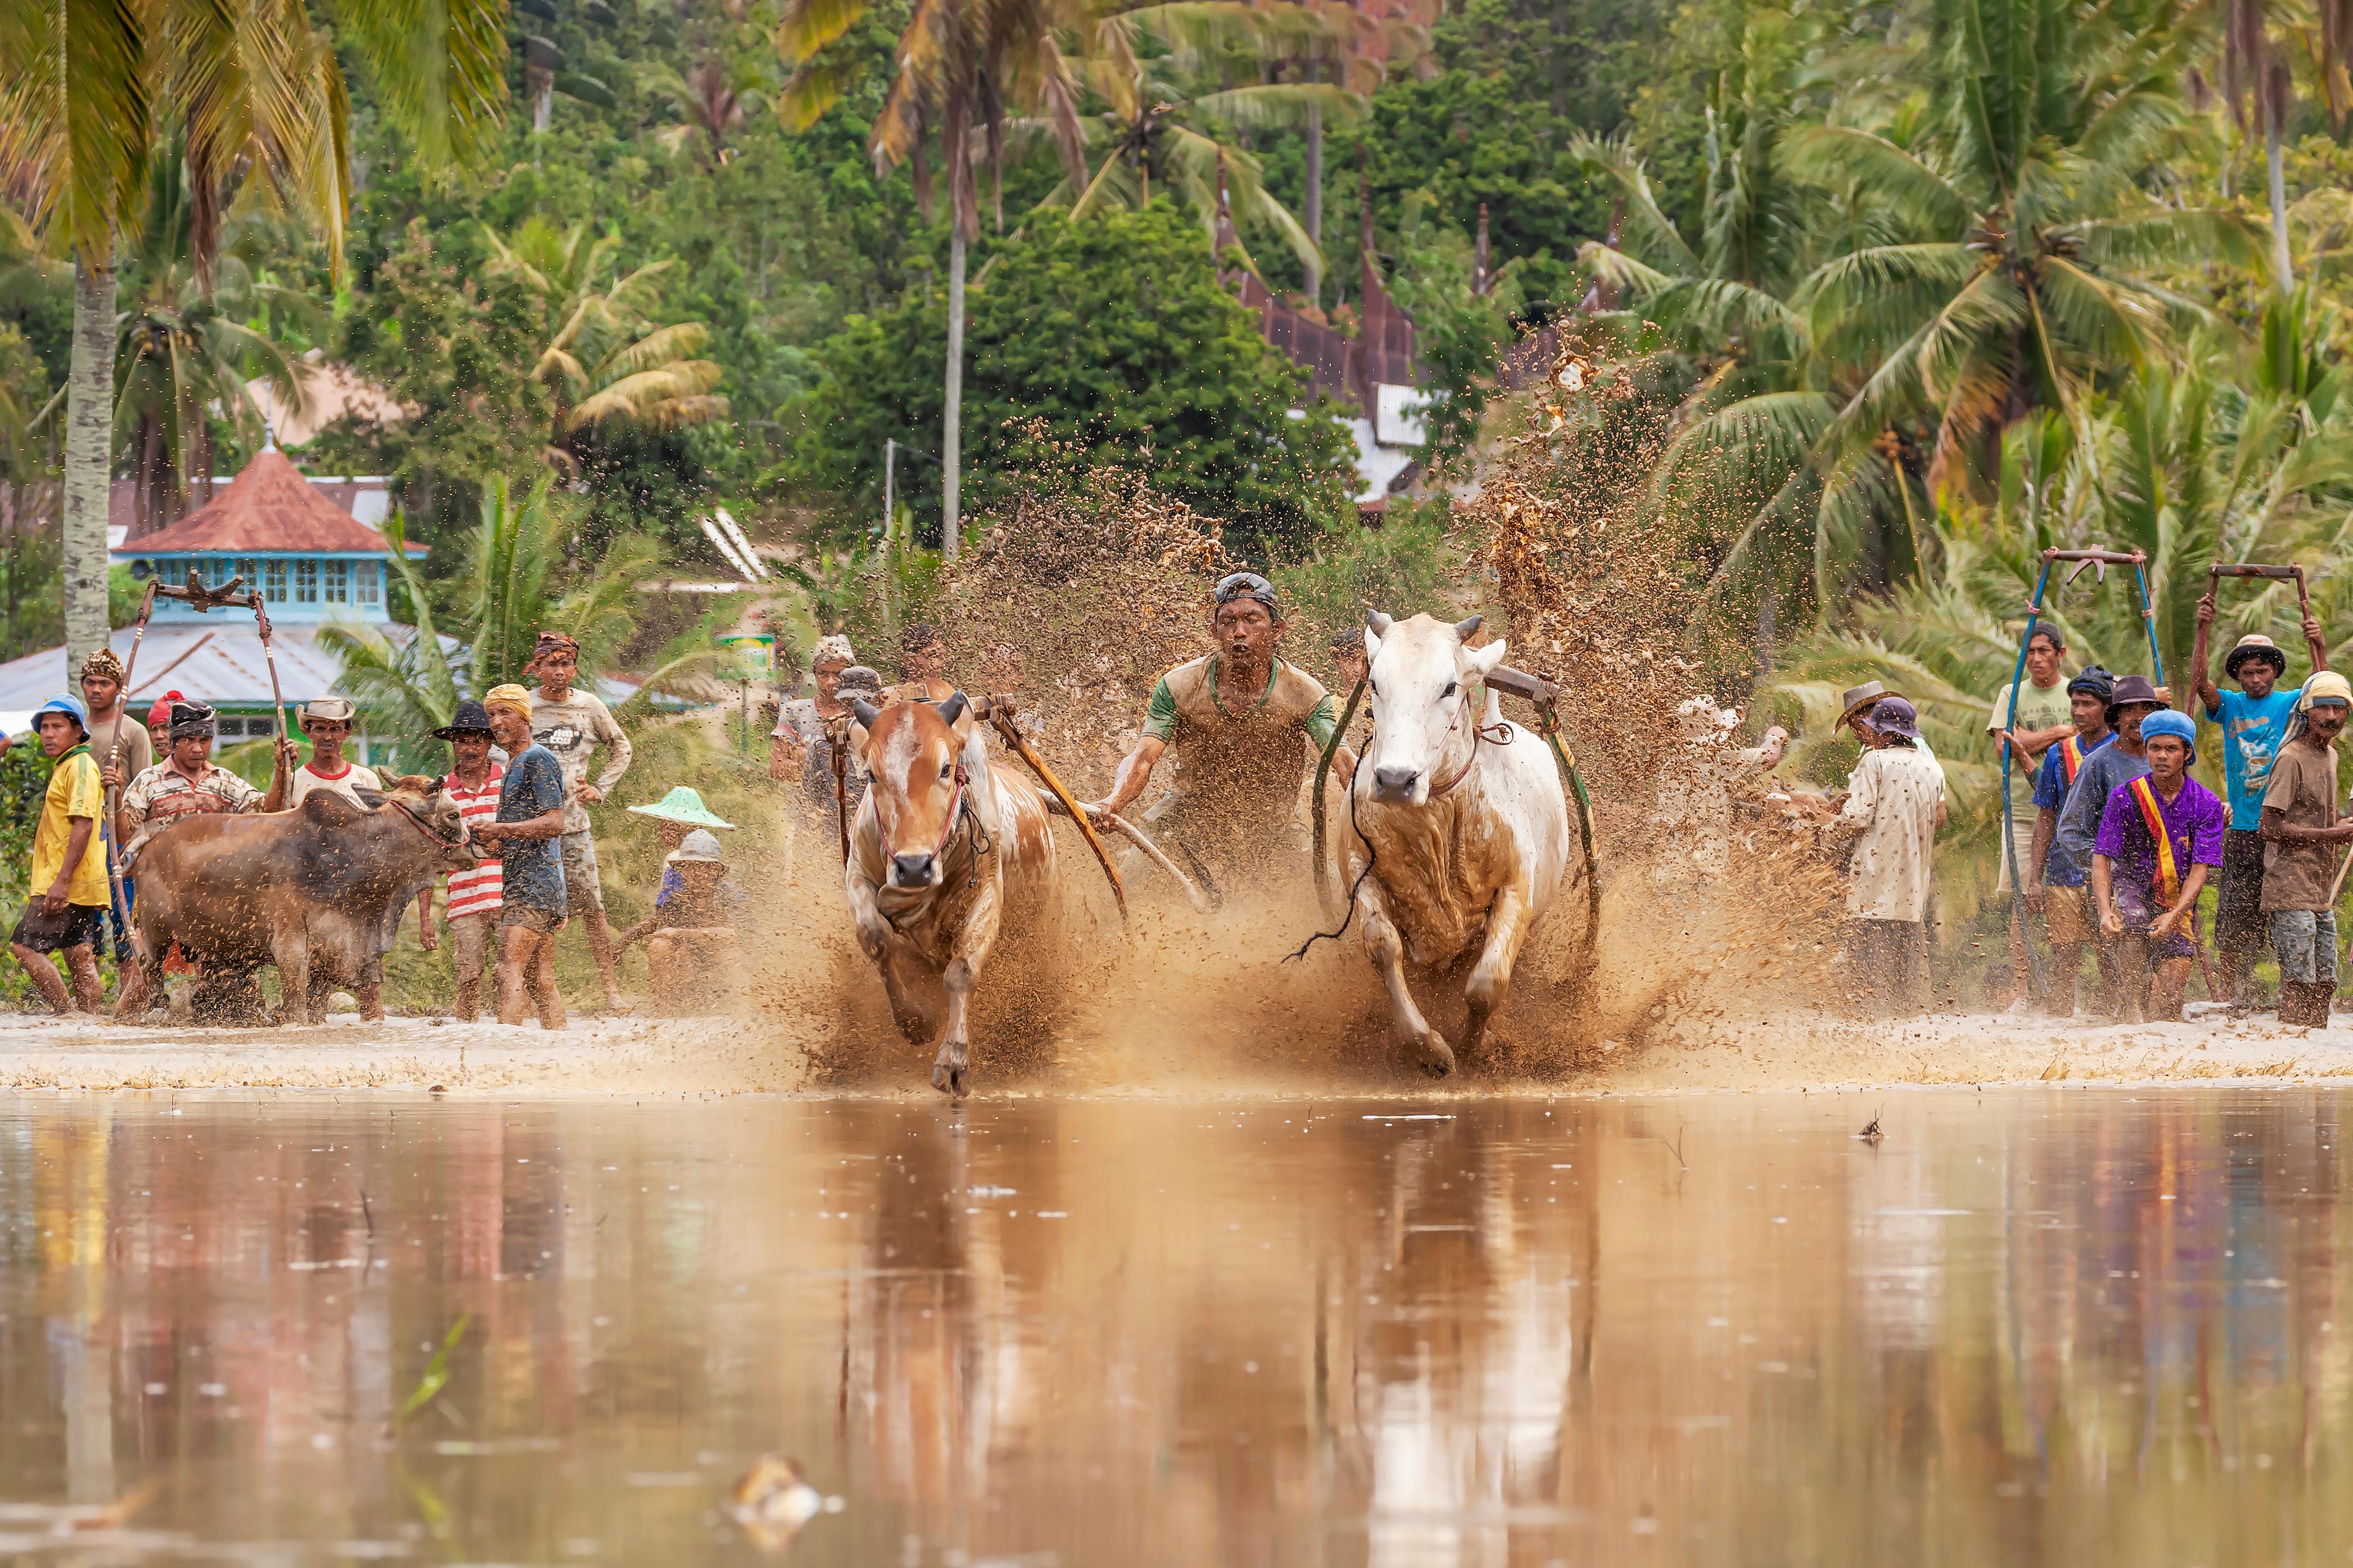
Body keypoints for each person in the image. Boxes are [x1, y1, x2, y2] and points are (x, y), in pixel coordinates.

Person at [1084, 571, 1346, 893]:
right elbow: (1143, 757)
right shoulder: (1180, 686)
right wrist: (1113, 802)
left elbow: (1343, 761)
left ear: (1276, 629)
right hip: (1186, 815)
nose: (1239, 633)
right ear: (1214, 631)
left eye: (1253, 620)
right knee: (1125, 888)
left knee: (1335, 892)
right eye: (1228, 622)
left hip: (1273, 826)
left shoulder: (1304, 694)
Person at [2191, 592, 2331, 1008]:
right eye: (2248, 673)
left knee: (2287, 913)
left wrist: (2318, 646)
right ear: (2239, 676)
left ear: (2274, 672)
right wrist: (2203, 628)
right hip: (2245, 830)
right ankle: (2236, 992)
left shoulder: (2290, 703)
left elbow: (2325, 698)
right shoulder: (2231, 705)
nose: (2255, 679)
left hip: (2283, 831)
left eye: (2262, 671)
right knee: (2235, 915)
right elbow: (2202, 685)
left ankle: (2291, 989)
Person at [2037, 674, 2165, 1018]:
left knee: (2162, 964)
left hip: (2161, 879)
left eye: (2146, 709)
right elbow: (2069, 828)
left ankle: (2142, 1034)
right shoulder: (2098, 763)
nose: (2138, 717)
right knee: (2107, 956)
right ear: (2116, 717)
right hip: (2109, 879)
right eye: (2129, 710)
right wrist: (2105, 866)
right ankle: (2105, 1028)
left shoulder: (2168, 759)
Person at [2091, 709, 2224, 1023]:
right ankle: (2130, 1009)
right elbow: (2102, 857)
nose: (2162, 756)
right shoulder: (2125, 797)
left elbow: (2201, 868)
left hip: (2178, 901)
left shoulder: (2206, 803)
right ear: (2147, 750)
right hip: (2132, 892)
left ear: (2186, 753)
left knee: (2166, 1008)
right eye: (2155, 748)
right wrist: (2104, 911)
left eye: (2171, 749)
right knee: (2135, 1013)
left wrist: (2175, 915)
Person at [525, 632, 633, 1012]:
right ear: (537, 667)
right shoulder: (524, 706)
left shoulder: (589, 706)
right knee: (531, 909)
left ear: (574, 667)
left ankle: (610, 991)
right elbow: (500, 751)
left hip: (574, 824)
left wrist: (600, 789)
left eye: (565, 663)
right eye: (551, 663)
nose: (559, 670)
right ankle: (532, 992)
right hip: (533, 829)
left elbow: (622, 747)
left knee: (593, 909)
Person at [1828, 696, 1947, 1016]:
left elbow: (1857, 816)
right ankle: (1901, 1014)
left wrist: (1825, 834)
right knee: (1902, 954)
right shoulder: (1933, 769)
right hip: (1914, 876)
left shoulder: (1875, 762)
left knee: (1865, 949)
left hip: (1874, 871)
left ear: (1882, 732)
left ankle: (1861, 1014)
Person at [472, 684, 569, 1030]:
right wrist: (487, 841)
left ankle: (502, 1055)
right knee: (539, 980)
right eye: (492, 715)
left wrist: (501, 831)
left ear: (524, 716)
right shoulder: (514, 763)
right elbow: (521, 831)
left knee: (507, 968)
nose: (496, 722)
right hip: (535, 884)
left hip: (534, 884)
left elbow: (555, 822)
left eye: (504, 713)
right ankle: (560, 1051)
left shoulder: (537, 759)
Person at [2259, 670, 2353, 1027]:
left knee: (2326, 981)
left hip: (2321, 889)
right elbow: (2267, 827)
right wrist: (2332, 834)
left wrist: (2341, 826)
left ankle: (2311, 1058)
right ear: (2307, 712)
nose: (2331, 716)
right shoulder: (2292, 757)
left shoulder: (2330, 756)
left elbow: (2319, 816)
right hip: (2290, 886)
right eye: (2323, 708)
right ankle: (2285, 1057)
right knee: (2299, 979)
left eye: (2339, 708)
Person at [1988, 627, 2075, 998]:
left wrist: (2028, 738)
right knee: (2024, 903)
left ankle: (2065, 989)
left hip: (2072, 815)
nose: (2036, 658)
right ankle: (2021, 991)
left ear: (2061, 653)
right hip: (2024, 812)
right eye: (2030, 652)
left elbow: (2085, 736)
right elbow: (2004, 747)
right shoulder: (2011, 693)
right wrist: (2057, 731)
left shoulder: (2076, 692)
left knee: (2073, 901)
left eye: (2044, 651)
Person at [8, 696, 109, 1014]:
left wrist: (61, 882)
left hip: (67, 881)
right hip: (82, 882)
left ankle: (66, 1014)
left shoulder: (79, 766)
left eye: (58, 726)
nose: (49, 734)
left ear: (78, 730)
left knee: (23, 948)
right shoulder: (70, 765)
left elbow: (84, 824)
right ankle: (90, 1024)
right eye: (44, 727)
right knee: (78, 955)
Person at [419, 700, 505, 1020]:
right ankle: (467, 1040)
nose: (471, 747)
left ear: (490, 742)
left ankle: (515, 1040)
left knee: (510, 975)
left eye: (478, 740)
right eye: (464, 740)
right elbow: (429, 860)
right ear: (454, 743)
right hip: (465, 901)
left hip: (507, 898)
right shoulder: (440, 793)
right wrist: (425, 919)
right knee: (468, 979)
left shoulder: (507, 782)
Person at [616, 828, 745, 1015]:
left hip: (723, 959)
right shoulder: (677, 899)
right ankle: (667, 1011)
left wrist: (682, 933)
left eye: (701, 867)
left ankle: (740, 1010)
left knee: (729, 952)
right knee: (660, 945)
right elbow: (657, 923)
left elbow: (735, 935)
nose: (694, 873)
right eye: (688, 867)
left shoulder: (730, 896)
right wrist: (624, 941)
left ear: (715, 870)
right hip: (689, 962)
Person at [118, 699, 277, 845]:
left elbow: (269, 812)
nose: (197, 749)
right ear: (174, 743)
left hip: (213, 872)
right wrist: (116, 795)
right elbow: (123, 836)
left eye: (204, 741)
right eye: (189, 740)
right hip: (163, 873)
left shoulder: (224, 782)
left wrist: (282, 770)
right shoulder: (148, 781)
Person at [82, 649, 151, 966]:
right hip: (81, 831)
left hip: (118, 832)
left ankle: (129, 991)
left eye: (105, 683)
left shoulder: (132, 731)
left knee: (124, 913)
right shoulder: (74, 729)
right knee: (84, 917)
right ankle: (90, 995)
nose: (96, 689)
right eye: (90, 682)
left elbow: (143, 789)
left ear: (118, 688)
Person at [770, 634, 860, 804]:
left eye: (838, 674)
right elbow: (778, 768)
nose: (831, 682)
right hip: (807, 816)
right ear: (815, 674)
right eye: (823, 674)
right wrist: (830, 760)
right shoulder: (794, 712)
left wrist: (804, 756)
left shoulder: (861, 714)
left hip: (856, 813)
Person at [625, 787, 737, 911]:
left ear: (684, 827)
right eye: (662, 824)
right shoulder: (677, 858)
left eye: (668, 825)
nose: (662, 831)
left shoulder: (680, 861)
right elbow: (664, 912)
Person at [282, 697, 383, 809]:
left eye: (335, 729)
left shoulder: (367, 779)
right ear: (307, 730)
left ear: (347, 731)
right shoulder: (294, 782)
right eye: (320, 729)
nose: (327, 737)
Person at [890, 621, 955, 704]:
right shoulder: (890, 696)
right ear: (908, 658)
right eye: (930, 656)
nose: (936, 665)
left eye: (940, 657)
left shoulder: (947, 691)